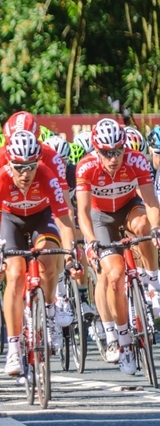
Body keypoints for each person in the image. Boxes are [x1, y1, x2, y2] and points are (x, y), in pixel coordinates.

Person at [0, 131, 79, 376]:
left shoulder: (48, 177)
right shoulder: (0, 181)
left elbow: (66, 222)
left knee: (48, 258)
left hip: (41, 217)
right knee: (15, 273)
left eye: (30, 167)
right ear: (9, 163)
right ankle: (14, 346)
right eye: (18, 167)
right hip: (10, 221)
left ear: (39, 162)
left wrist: (71, 256)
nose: (24, 174)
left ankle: (48, 312)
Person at [75, 119, 160, 374]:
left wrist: (156, 230)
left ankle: (154, 283)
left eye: (118, 150)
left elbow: (151, 201)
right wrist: (90, 243)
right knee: (113, 276)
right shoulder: (86, 167)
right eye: (107, 152)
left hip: (128, 208)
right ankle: (122, 341)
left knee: (144, 225)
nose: (113, 157)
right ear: (96, 150)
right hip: (101, 218)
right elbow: (82, 213)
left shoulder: (136, 160)